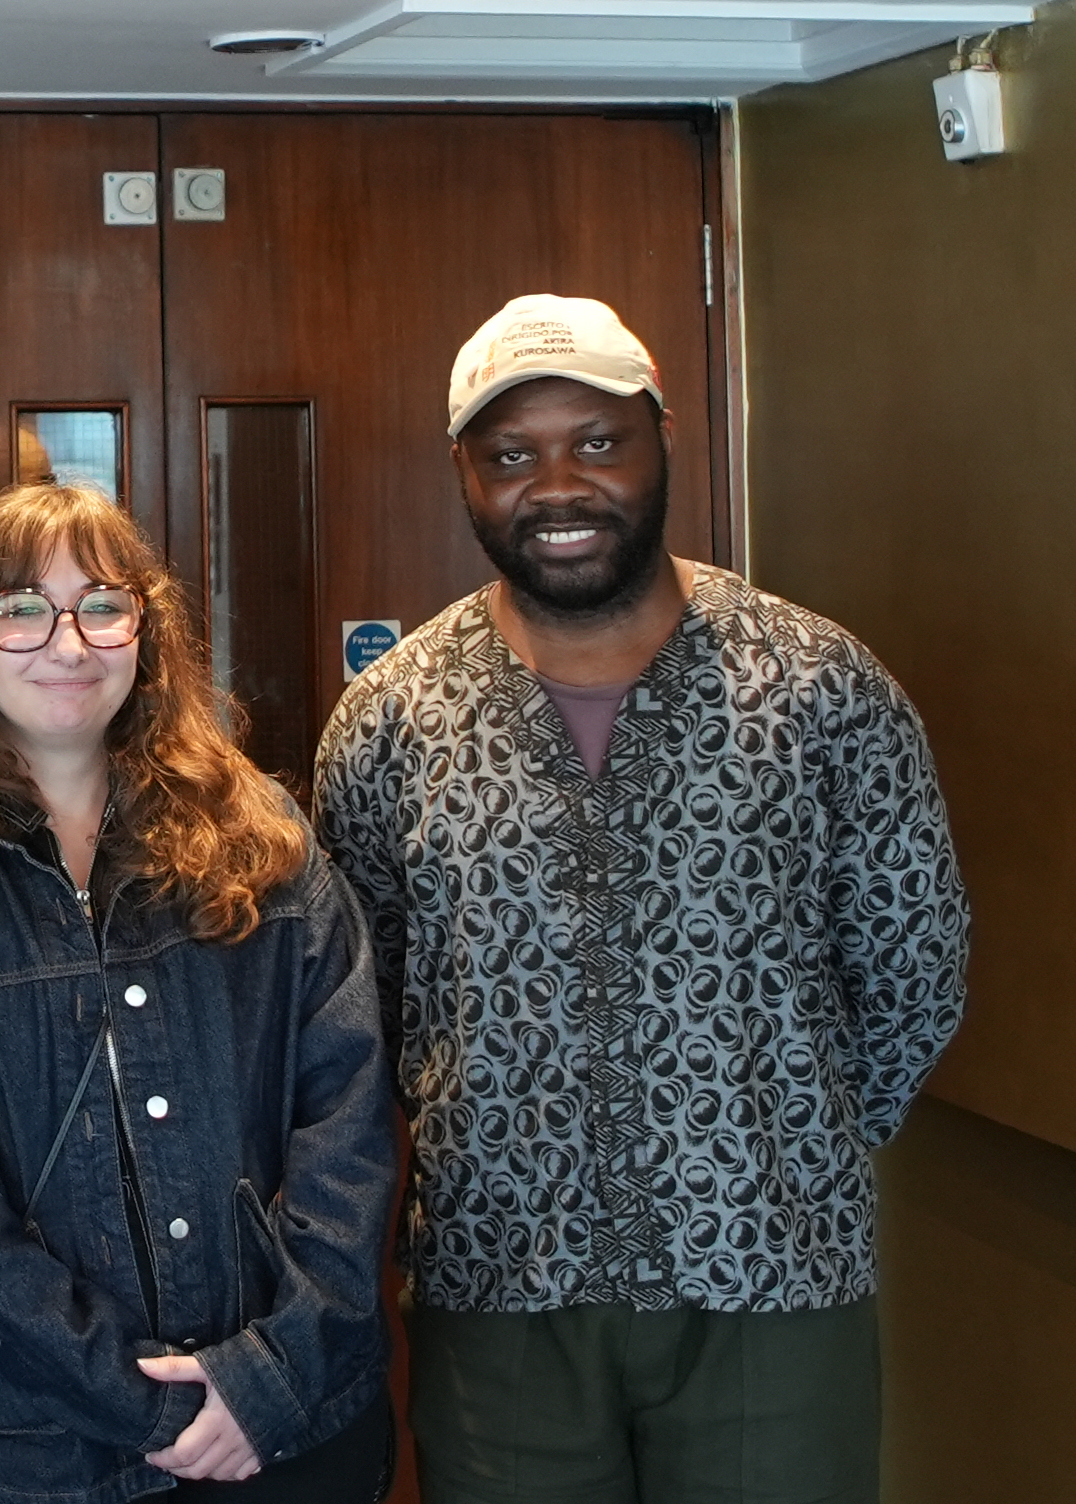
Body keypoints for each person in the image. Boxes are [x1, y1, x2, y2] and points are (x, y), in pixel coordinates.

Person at [313, 295, 970, 1504]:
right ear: (462, 472)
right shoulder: (392, 717)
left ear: (663, 438)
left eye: (598, 442)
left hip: (772, 1278)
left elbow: (912, 964)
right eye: (511, 455)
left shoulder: (820, 687)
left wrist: (777, 1134)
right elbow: (363, 1001)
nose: (557, 485)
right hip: (500, 1283)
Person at [0, 483, 399, 1504]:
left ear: (145, 630)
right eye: (23, 607)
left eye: (103, 605)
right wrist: (150, 1407)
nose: (68, 642)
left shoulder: (262, 845)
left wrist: (267, 1374)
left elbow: (347, 1122)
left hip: (290, 1432)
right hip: (31, 1451)